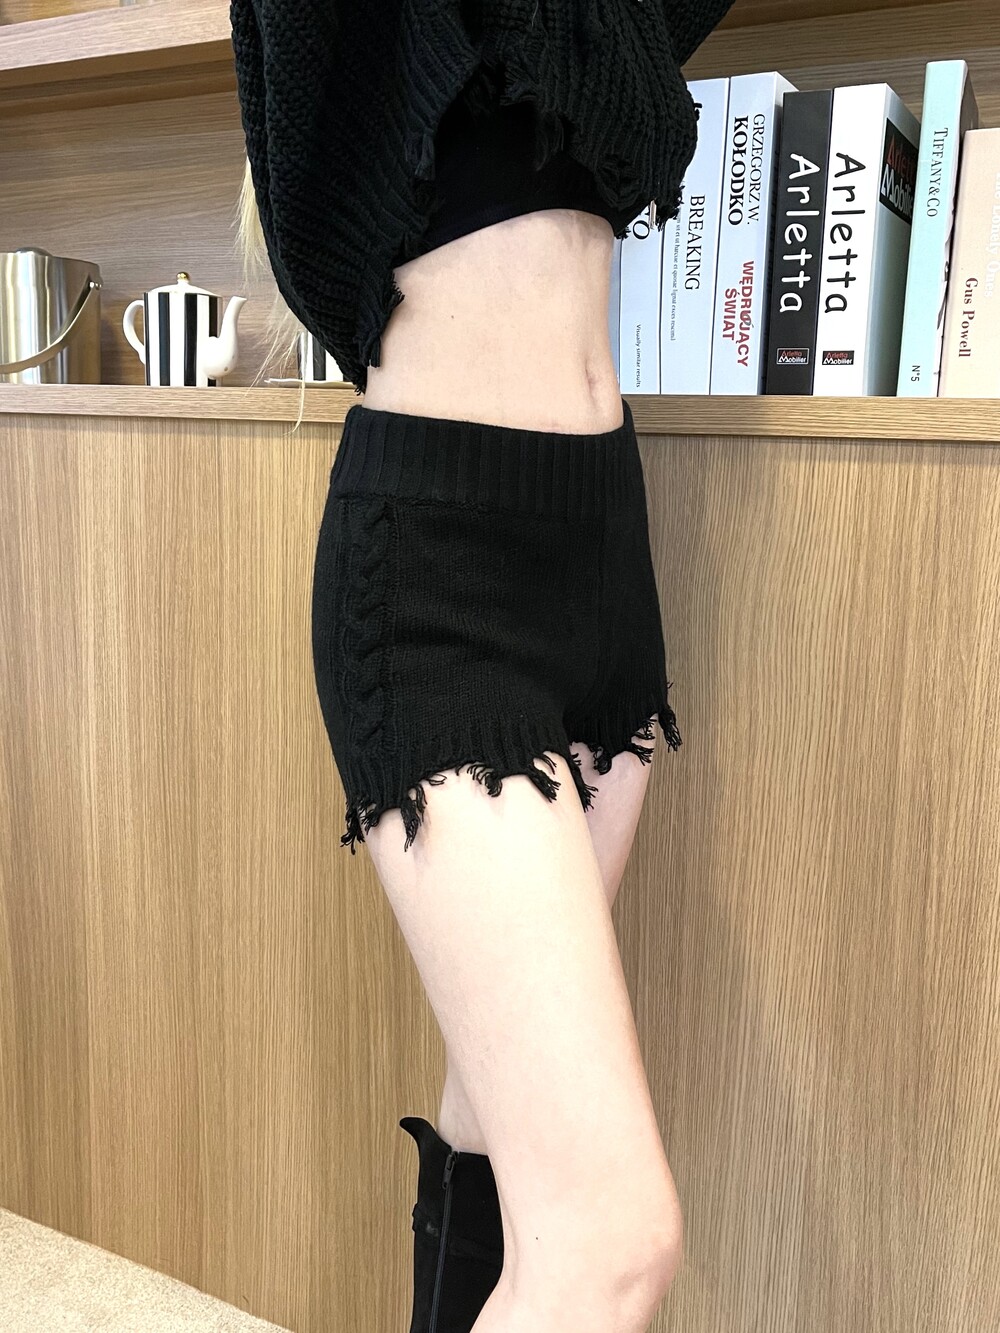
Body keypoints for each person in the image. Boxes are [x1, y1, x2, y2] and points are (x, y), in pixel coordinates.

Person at [230, 3, 735, 1329]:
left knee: (500, 1137)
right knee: (610, 1241)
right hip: (440, 573)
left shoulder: (592, 32)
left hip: (601, 558)